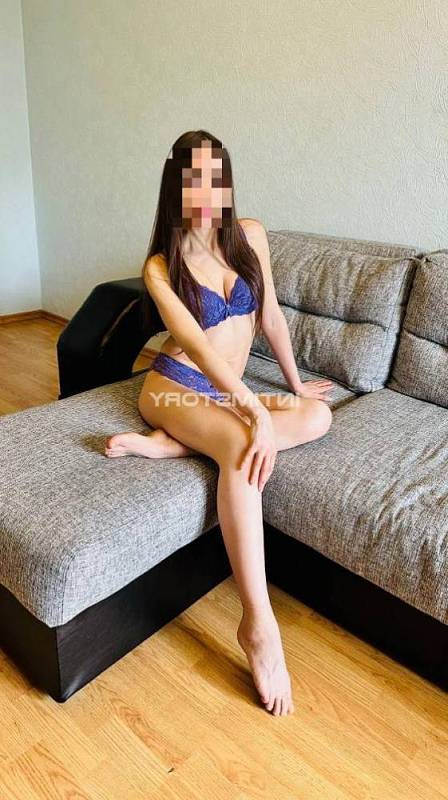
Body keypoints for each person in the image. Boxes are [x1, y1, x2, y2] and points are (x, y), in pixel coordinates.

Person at [105, 130, 335, 716]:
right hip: (177, 387)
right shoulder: (161, 266)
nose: (207, 193)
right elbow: (201, 351)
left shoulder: (250, 235)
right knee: (241, 446)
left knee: (318, 415)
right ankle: (258, 624)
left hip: (230, 395)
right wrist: (253, 410)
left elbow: (272, 318)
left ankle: (176, 448)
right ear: (175, 185)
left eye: (216, 178)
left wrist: (292, 387)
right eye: (194, 180)